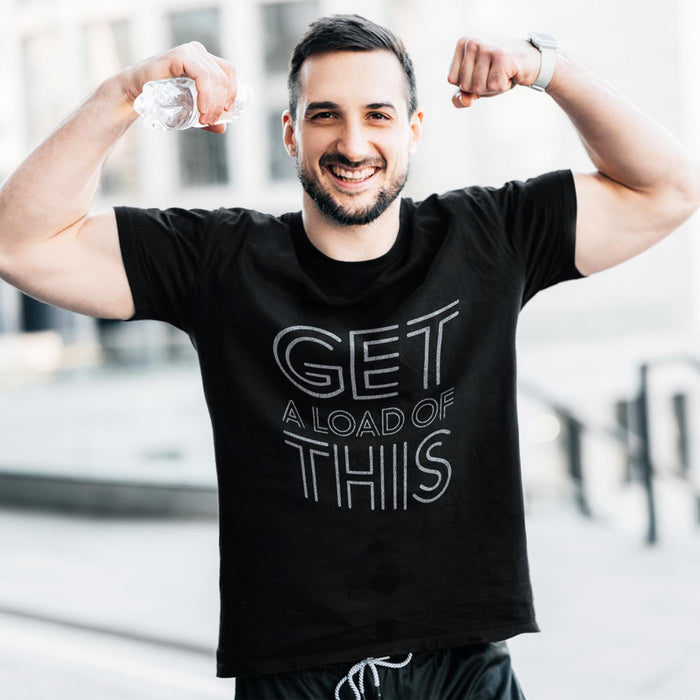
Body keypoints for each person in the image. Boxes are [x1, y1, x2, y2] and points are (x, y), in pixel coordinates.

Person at [0, 12, 697, 700]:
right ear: (291, 133)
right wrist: (127, 90)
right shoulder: (220, 261)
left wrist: (550, 69)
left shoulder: (488, 238)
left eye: (379, 115)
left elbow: (670, 187)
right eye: (326, 115)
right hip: (293, 672)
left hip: (465, 665)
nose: (353, 142)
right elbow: (20, 244)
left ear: (414, 132)